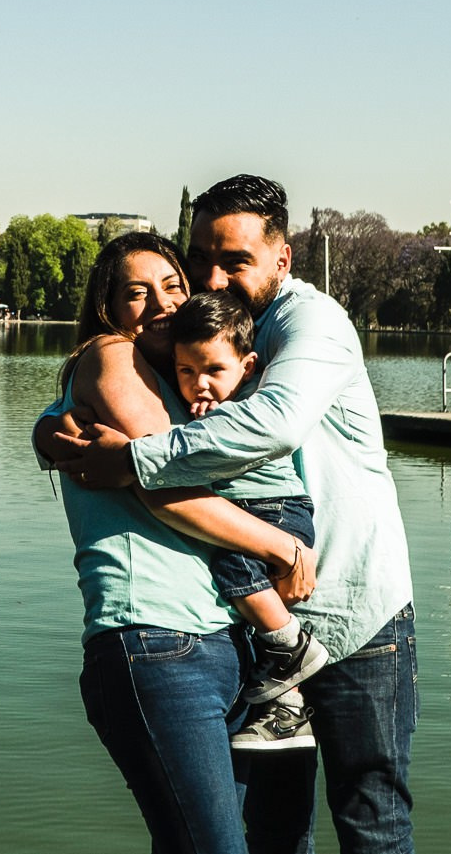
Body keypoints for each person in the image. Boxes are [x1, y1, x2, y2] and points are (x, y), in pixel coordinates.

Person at [54, 176, 418, 854]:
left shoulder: (312, 324)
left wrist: (135, 459)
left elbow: (273, 424)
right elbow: (100, 389)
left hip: (353, 614)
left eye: (236, 260)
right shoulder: (191, 335)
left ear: (283, 257)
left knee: (373, 821)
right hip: (259, 631)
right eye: (202, 258)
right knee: (275, 832)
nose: (212, 276)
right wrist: (55, 430)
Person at [32, 231, 318, 853]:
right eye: (137, 293)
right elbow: (165, 482)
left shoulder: (185, 382)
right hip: (155, 639)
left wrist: (46, 431)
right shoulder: (111, 355)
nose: (160, 303)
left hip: (222, 644)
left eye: (172, 286)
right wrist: (283, 547)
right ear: (108, 307)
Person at [166, 289, 327, 748]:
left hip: (276, 512)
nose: (200, 384)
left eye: (214, 371)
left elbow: (198, 458)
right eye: (186, 371)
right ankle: (287, 708)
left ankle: (295, 648)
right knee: (247, 613)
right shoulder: (213, 407)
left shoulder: (242, 413)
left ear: (247, 367)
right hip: (261, 515)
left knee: (231, 564)